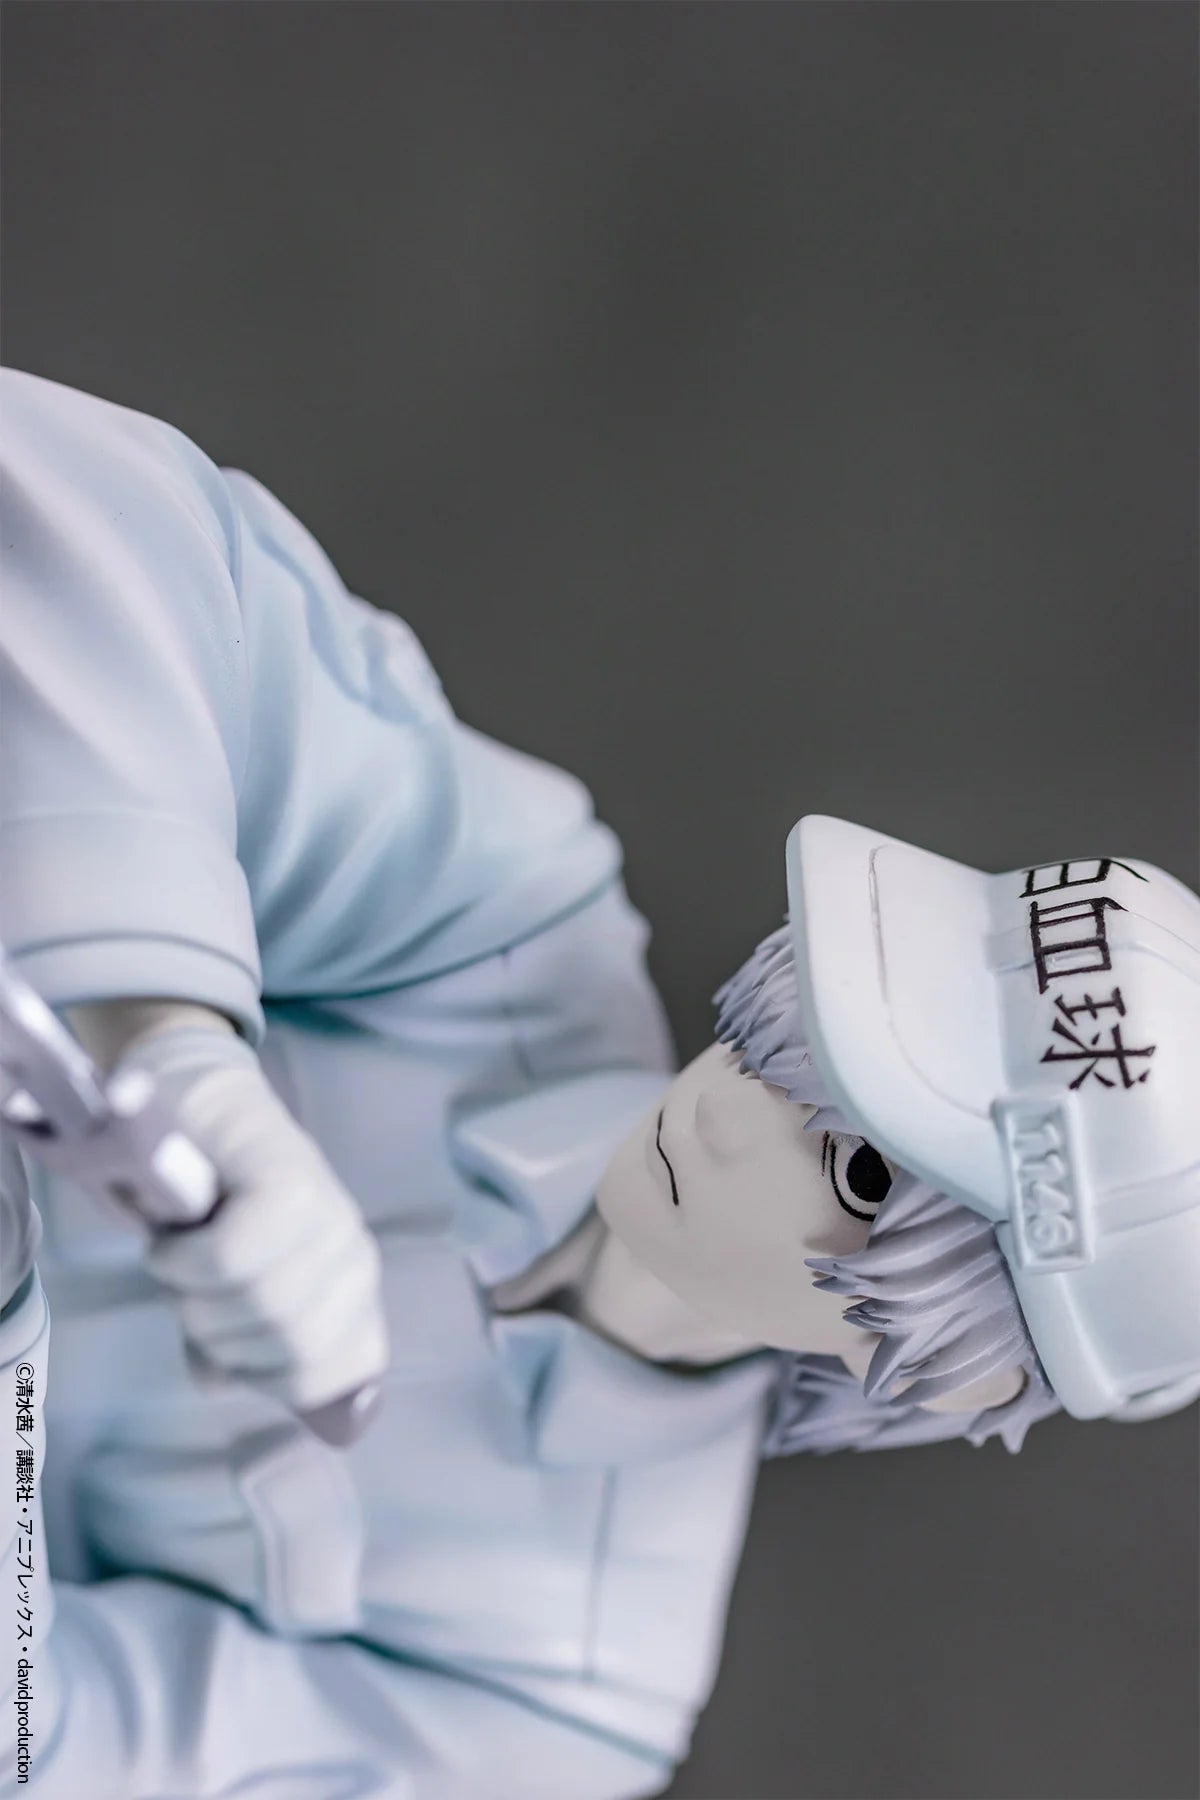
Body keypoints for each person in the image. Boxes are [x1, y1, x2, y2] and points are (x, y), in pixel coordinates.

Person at [2, 371, 1197, 1800]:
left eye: (864, 1168)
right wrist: (163, 1031)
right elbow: (93, 514)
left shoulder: (563, 1682)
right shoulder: (508, 927)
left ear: (979, 1374)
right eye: (813, 1024)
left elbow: (52, 1756)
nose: (731, 1105)